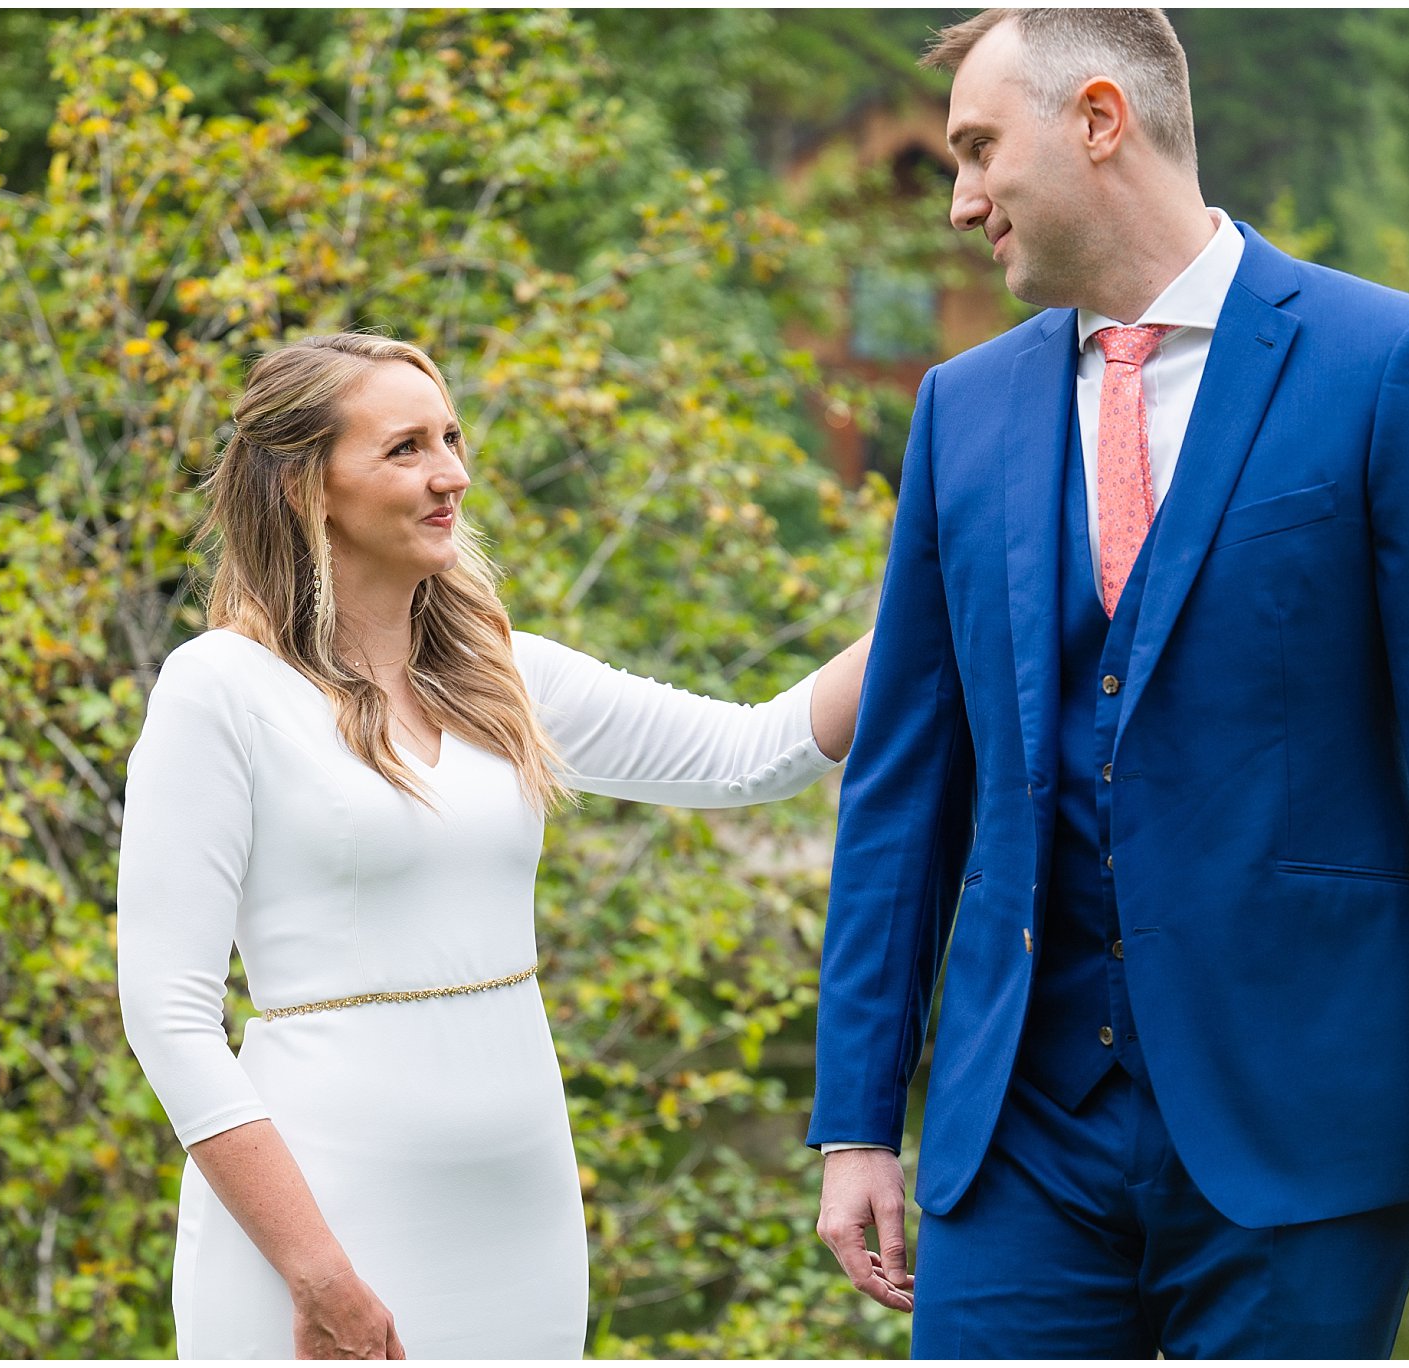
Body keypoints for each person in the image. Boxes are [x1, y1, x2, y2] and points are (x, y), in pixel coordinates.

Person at [807, 9, 1409, 1359]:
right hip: (1020, 1139)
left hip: (1308, 1127)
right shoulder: (962, 410)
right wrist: (857, 1118)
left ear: (1101, 121)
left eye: (983, 149)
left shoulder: (1393, 367)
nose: (958, 202)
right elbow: (904, 788)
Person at [117, 332, 871, 1358]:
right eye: (405, 449)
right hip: (325, 1222)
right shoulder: (220, 689)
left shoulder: (503, 675)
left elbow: (755, 750)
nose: (451, 475)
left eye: (452, 438)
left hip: (520, 1221)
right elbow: (167, 1015)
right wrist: (316, 1270)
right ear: (306, 488)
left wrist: (940, 576)